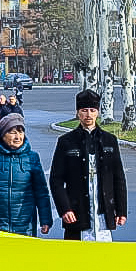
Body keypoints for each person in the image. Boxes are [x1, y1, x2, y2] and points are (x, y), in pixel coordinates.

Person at [50, 89, 127, 240]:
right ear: (78, 112)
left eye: (92, 110)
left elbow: (118, 177)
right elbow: (56, 180)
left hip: (103, 212)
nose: (88, 115)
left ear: (97, 112)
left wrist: (121, 209)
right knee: (77, 259)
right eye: (84, 110)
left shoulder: (109, 140)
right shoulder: (66, 141)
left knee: (104, 258)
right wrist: (65, 209)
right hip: (76, 212)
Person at [0, 113, 53, 236]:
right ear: (2, 135)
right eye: (13, 132)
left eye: (20, 132)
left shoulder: (32, 157)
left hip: (24, 225)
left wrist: (46, 219)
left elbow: (41, 191)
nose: (18, 137)